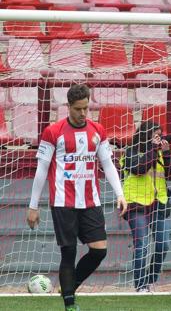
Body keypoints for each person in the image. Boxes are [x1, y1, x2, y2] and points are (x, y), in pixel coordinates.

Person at [26, 84, 127, 311]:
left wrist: (120, 194)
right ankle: (70, 303)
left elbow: (107, 164)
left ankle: (69, 286)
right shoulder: (53, 132)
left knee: (100, 250)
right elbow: (42, 169)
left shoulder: (97, 130)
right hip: (63, 202)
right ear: (68, 107)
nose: (83, 113)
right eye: (78, 109)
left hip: (91, 200)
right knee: (69, 252)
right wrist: (33, 206)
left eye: (86, 108)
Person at [120, 121, 171, 292]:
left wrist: (167, 154)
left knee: (163, 244)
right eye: (155, 135)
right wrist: (153, 150)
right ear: (144, 135)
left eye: (160, 135)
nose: (158, 138)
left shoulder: (158, 153)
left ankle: (150, 278)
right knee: (142, 245)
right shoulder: (130, 152)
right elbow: (139, 169)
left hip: (158, 203)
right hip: (135, 204)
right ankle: (140, 285)